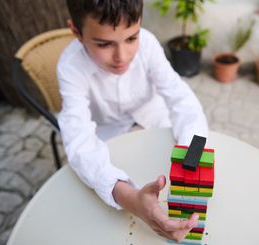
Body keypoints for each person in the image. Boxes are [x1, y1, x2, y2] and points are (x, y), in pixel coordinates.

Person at [57, 0, 208, 242]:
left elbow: (182, 99)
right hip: (111, 141)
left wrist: (192, 152)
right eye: (104, 43)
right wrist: (131, 199)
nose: (122, 57)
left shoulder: (148, 44)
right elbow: (79, 139)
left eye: (131, 38)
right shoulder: (70, 66)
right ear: (76, 32)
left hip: (156, 123)